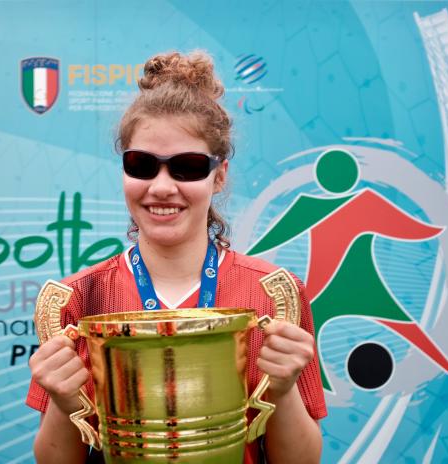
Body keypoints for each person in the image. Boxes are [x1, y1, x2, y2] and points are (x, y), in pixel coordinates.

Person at [26, 50, 326, 463]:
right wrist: (62, 403)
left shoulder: (273, 295)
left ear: (218, 176)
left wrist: (284, 388)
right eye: (142, 165)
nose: (162, 187)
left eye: (186, 167)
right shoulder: (81, 298)